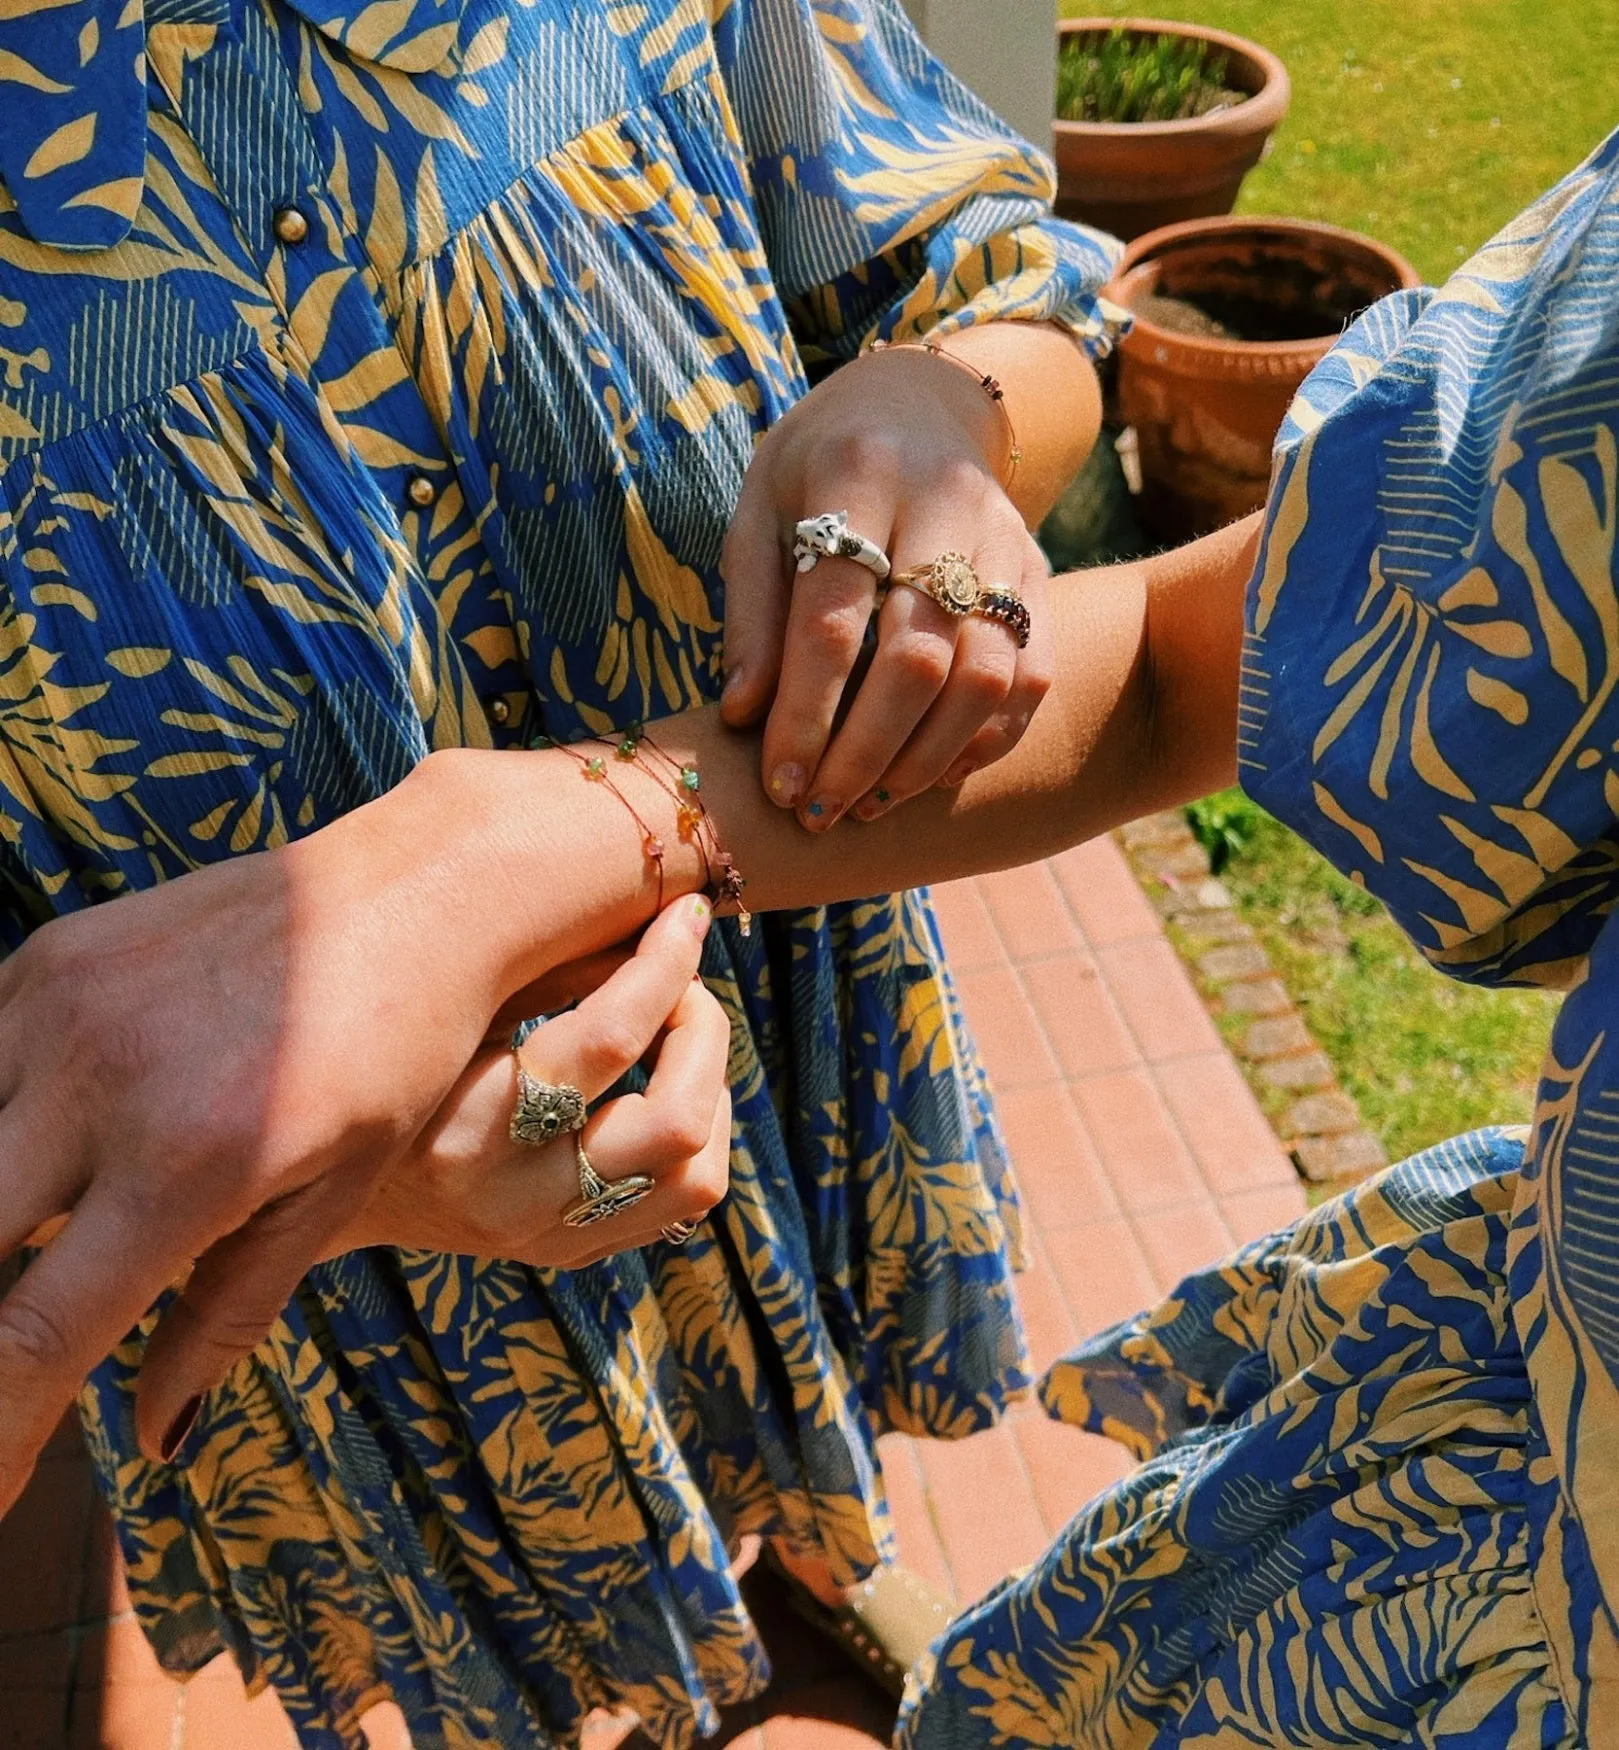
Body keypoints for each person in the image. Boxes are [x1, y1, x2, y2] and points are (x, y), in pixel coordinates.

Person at [0, 0, 1121, 1742]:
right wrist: (350, 1187)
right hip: (307, 1252)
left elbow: (996, 277)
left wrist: (936, 409)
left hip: (785, 1001)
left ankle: (790, 1573)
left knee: (786, 1444)